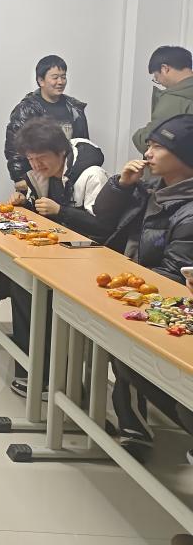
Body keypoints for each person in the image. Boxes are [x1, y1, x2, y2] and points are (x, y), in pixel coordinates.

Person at [0, 117, 110, 396]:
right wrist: (25, 204)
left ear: (61, 151)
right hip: (56, 253)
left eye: (41, 158)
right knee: (22, 280)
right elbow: (42, 214)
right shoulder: (41, 174)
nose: (36, 166)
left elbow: (102, 227)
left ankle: (45, 373)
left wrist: (61, 211)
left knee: (27, 287)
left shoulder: (92, 176)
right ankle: (32, 371)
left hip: (86, 259)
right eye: (30, 159)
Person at [92, 115, 193, 461]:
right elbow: (102, 218)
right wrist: (121, 185)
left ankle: (136, 420)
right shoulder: (148, 187)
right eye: (148, 145)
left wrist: (125, 290)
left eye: (158, 146)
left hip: (158, 298)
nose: (147, 153)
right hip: (131, 281)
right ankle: (128, 416)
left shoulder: (188, 210)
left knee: (125, 346)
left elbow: (174, 277)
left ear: (184, 156)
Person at [4, 55, 90, 188]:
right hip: (39, 177)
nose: (60, 82)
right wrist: (20, 178)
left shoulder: (75, 108)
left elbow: (83, 144)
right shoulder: (27, 109)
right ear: (41, 80)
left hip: (70, 177)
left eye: (63, 77)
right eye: (55, 77)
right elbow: (15, 147)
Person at [133, 45, 193, 152]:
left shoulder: (173, 98)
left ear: (165, 69)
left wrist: (138, 135)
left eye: (156, 77)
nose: (159, 82)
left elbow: (153, 140)